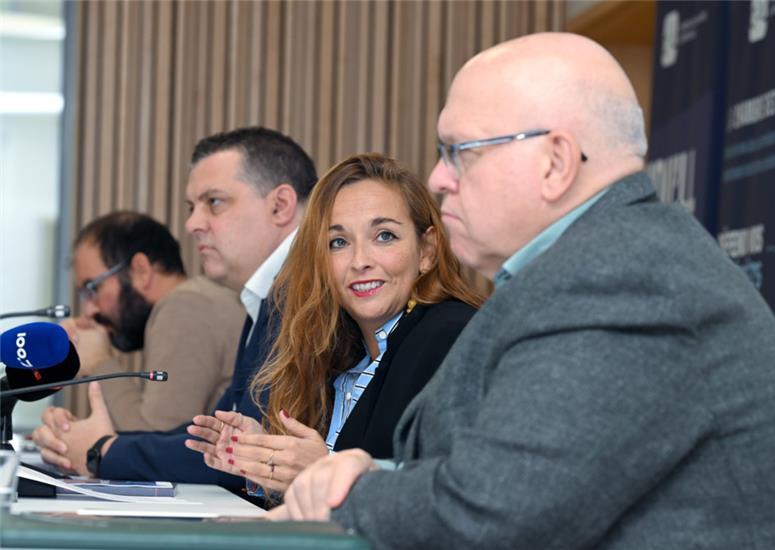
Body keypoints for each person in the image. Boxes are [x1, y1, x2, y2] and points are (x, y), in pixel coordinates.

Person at [269, 33, 775, 548]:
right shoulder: (600, 263)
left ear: (556, 162)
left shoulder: (621, 277)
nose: (438, 178)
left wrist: (343, 494)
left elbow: (495, 512)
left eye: (460, 151)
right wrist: (375, 471)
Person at [32, 127, 318, 491]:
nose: (192, 223)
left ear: (280, 206)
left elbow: (235, 452)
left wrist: (100, 449)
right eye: (192, 207)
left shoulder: (302, 293)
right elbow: (212, 436)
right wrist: (92, 443)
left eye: (214, 202)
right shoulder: (263, 297)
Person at [187, 153, 483, 497]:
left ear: (427, 250)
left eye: (384, 236)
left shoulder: (453, 338)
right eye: (338, 243)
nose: (360, 261)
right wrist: (266, 457)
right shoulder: (336, 354)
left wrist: (322, 470)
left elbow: (458, 491)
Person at [58, 211, 243, 432]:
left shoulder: (183, 308)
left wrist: (99, 361)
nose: (89, 310)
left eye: (93, 288)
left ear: (141, 270)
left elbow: (154, 443)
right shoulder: (196, 300)